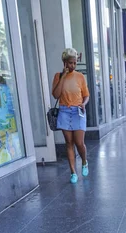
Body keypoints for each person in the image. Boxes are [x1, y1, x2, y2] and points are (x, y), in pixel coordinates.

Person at [52, 48, 89, 184]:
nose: (73, 66)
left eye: (75, 63)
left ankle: (84, 161)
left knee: (79, 142)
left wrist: (84, 103)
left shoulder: (80, 77)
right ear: (64, 63)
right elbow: (56, 95)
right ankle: (73, 172)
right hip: (64, 111)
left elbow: (86, 95)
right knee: (69, 143)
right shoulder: (58, 76)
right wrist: (62, 76)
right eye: (70, 63)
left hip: (78, 111)